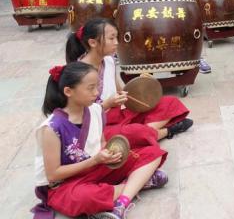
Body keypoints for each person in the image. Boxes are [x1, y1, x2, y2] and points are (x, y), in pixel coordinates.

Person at [33, 62, 167, 219]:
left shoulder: (95, 111)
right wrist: (95, 161)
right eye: (90, 88)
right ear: (68, 91)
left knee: (152, 152)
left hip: (96, 169)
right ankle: (137, 183)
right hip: (66, 184)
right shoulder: (51, 128)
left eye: (97, 86)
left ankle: (121, 203)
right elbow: (53, 175)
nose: (96, 93)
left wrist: (110, 154)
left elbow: (102, 142)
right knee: (85, 197)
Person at [66, 18, 193, 142]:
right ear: (93, 43)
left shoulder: (109, 61)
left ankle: (145, 132)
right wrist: (107, 104)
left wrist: (140, 86)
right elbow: (79, 114)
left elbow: (121, 91)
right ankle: (165, 131)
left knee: (171, 102)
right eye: (111, 38)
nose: (116, 42)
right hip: (99, 123)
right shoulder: (78, 72)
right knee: (135, 132)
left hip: (118, 114)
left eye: (116, 37)